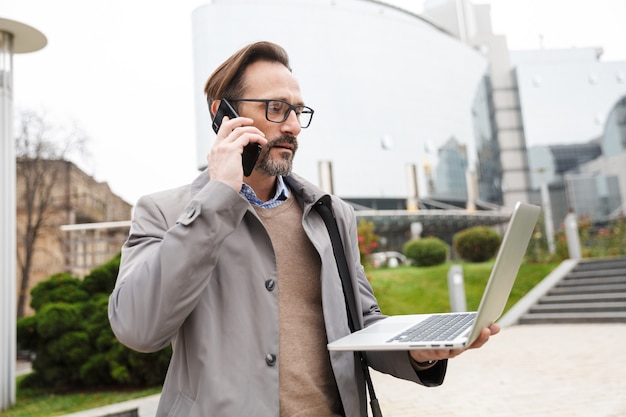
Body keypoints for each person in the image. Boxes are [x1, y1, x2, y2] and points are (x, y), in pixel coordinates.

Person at [108, 41, 500, 417]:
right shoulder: (165, 211)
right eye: (277, 108)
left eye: (298, 111)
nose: (294, 126)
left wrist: (418, 351)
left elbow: (361, 326)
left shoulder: (331, 215)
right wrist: (217, 199)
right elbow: (138, 328)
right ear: (224, 115)